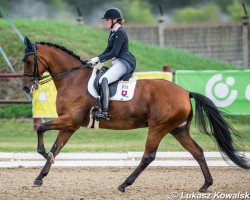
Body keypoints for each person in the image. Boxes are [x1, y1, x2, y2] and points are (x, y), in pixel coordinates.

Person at [87, 7, 136, 120]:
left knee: (103, 79)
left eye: (107, 20)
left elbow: (114, 52)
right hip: (117, 62)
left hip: (124, 63)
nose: (105, 22)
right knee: (101, 78)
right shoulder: (113, 32)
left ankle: (104, 112)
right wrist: (95, 59)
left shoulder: (120, 32)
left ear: (114, 20)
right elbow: (108, 49)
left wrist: (98, 59)